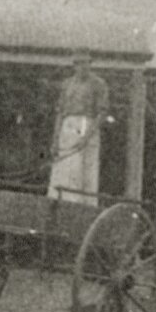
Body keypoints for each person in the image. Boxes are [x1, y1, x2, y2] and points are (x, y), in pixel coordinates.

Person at [47, 54, 109, 202]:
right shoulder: (67, 84)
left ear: (90, 64)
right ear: (74, 65)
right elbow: (60, 112)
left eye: (86, 63)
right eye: (79, 63)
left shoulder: (98, 84)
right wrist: (55, 141)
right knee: (64, 168)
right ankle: (60, 202)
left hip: (86, 125)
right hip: (67, 127)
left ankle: (82, 206)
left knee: (82, 171)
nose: (82, 67)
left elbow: (102, 112)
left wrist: (87, 137)